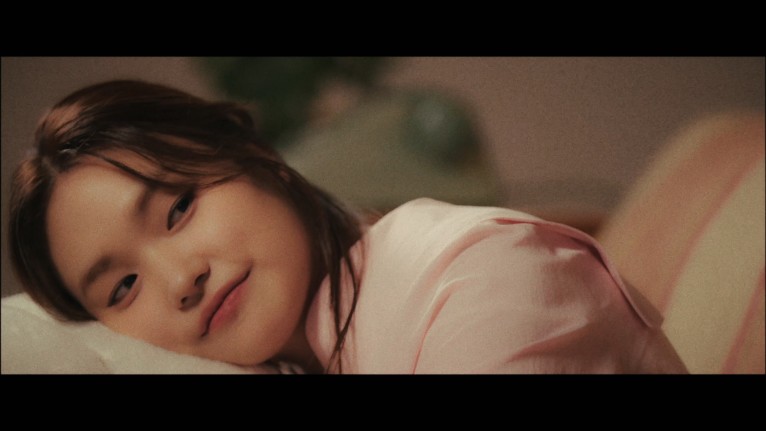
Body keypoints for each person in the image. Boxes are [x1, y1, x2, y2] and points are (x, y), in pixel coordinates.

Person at [8, 80, 688, 374]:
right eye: (123, 286)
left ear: (254, 156)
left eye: (180, 207)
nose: (182, 279)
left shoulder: (475, 274)